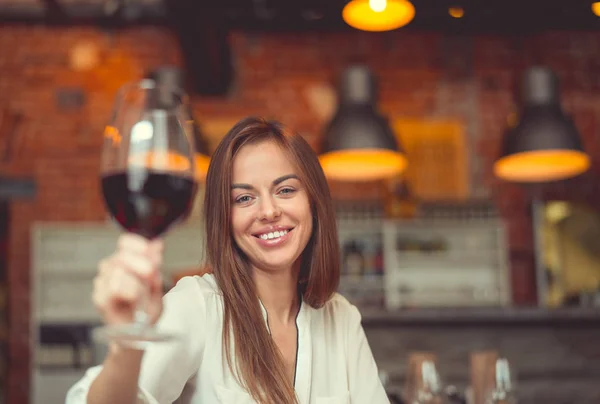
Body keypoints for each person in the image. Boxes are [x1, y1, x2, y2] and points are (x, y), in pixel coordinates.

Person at [66, 116, 389, 404]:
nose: (268, 211)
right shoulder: (198, 305)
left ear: (314, 202)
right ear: (224, 217)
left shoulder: (341, 317)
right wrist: (127, 340)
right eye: (244, 198)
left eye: (286, 190)